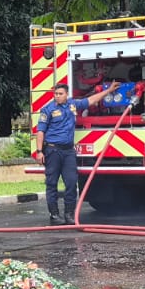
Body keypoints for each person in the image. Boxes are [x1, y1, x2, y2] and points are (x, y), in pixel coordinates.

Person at [33, 83, 90, 225]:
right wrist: (39, 152)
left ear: (66, 95)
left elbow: (90, 100)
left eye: (60, 94)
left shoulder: (73, 105)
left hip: (69, 151)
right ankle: (54, 215)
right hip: (52, 151)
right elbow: (40, 132)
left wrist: (108, 90)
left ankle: (69, 214)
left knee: (71, 182)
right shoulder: (48, 109)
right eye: (56, 94)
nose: (57, 96)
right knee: (52, 183)